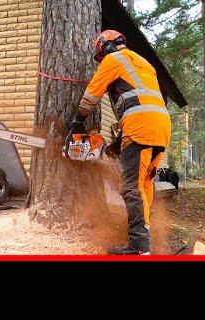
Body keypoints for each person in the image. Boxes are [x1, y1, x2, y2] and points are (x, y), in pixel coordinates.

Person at [67, 29, 172, 255]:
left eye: (101, 56)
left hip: (140, 126)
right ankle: (144, 241)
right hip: (161, 127)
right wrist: (118, 143)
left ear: (107, 46)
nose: (102, 61)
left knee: (131, 187)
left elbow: (92, 95)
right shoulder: (144, 63)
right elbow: (138, 98)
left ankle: (139, 247)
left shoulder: (114, 59)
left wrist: (77, 121)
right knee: (144, 185)